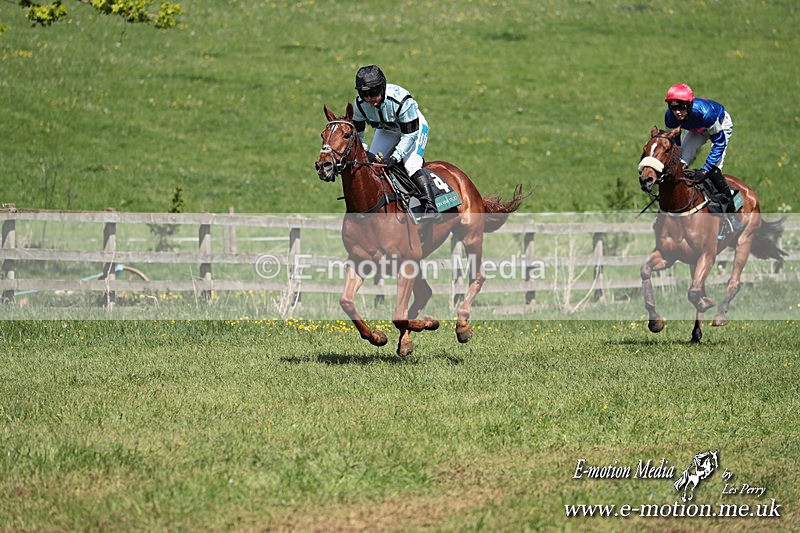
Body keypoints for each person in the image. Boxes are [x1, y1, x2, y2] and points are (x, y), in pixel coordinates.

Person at [352, 65, 439, 218]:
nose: (370, 99)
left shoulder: (401, 100)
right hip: (387, 130)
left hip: (413, 130)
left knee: (411, 165)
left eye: (374, 93)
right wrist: (365, 152)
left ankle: (431, 208)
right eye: (366, 95)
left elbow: (409, 136)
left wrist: (394, 158)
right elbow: (358, 134)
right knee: (371, 165)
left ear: (383, 88)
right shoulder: (359, 105)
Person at [663, 83, 740, 215]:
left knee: (713, 171)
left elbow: (719, 142)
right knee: (679, 164)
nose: (677, 112)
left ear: (690, 105)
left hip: (719, 126)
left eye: (681, 107)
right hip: (696, 130)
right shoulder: (670, 117)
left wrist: (705, 170)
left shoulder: (705, 114)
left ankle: (730, 204)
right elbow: (675, 145)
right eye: (673, 107)